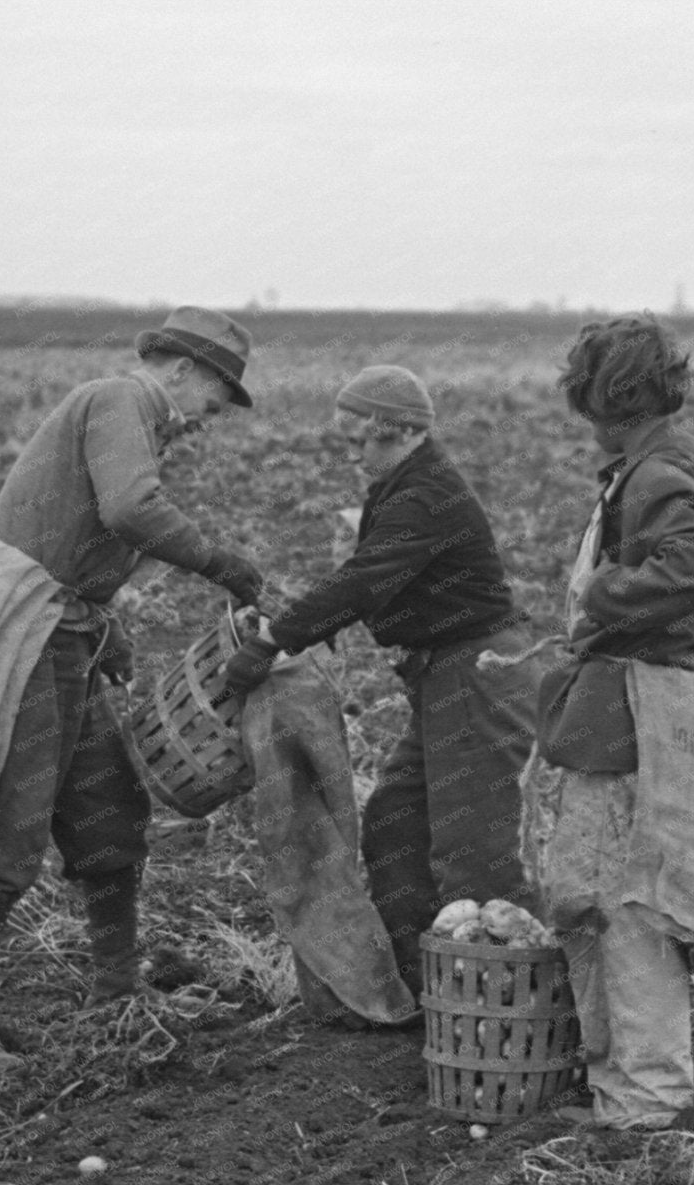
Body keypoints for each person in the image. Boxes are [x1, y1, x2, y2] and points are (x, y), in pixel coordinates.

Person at [0, 306, 266, 1072]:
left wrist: (102, 621)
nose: (213, 416)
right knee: (10, 824)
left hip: (66, 636)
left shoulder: (136, 417)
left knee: (109, 806)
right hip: (25, 645)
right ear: (185, 369)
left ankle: (116, 988)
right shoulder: (122, 400)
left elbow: (76, 536)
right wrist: (224, 563)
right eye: (220, 395)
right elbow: (128, 508)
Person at [218, 366, 539, 997]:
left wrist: (275, 639)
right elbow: (370, 580)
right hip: (444, 677)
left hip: (476, 677)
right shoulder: (401, 485)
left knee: (473, 854)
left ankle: (504, 1014)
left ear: (393, 428)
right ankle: (424, 990)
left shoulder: (425, 493)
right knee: (396, 821)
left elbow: (367, 577)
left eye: (357, 440)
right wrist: (312, 618)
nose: (350, 453)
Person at [524, 313, 694, 1130]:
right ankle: (621, 1086)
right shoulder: (658, 462)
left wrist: (603, 596)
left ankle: (645, 1101)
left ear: (601, 394)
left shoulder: (657, 471)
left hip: (640, 706)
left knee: (629, 907)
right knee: (605, 897)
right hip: (636, 696)